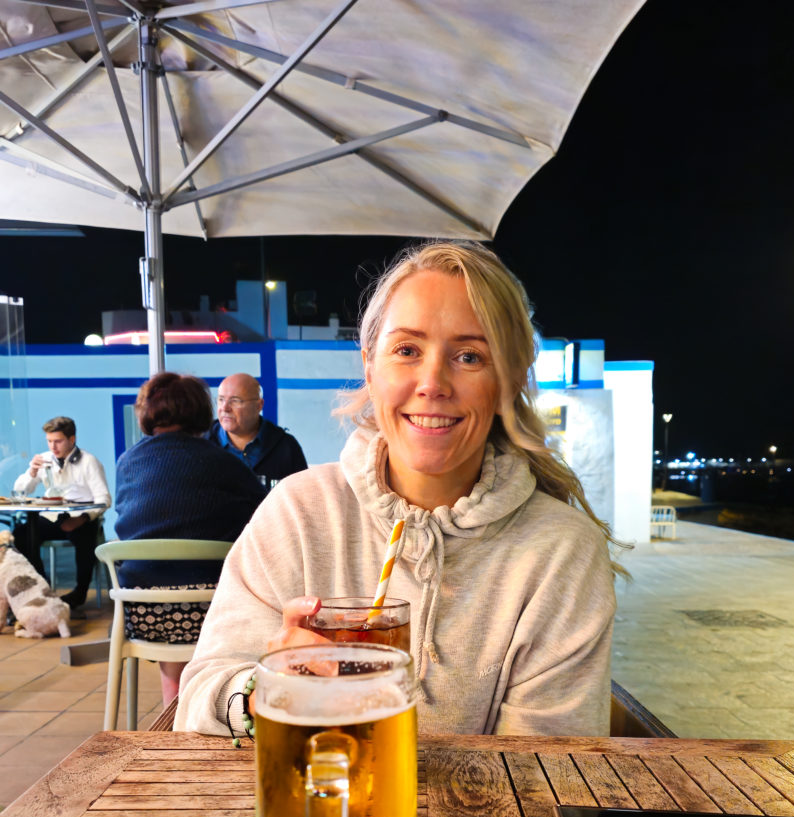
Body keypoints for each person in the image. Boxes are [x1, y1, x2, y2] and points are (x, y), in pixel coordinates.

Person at [176, 241, 619, 738]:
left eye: (470, 356)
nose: (432, 382)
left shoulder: (561, 552)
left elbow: (546, 779)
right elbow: (196, 704)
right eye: (407, 350)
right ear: (370, 366)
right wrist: (263, 692)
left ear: (509, 380)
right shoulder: (297, 514)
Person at [115, 372, 266, 705]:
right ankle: (216, 708)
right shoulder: (224, 463)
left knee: (165, 586)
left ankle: (176, 706)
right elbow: (262, 520)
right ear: (202, 412)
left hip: (142, 614)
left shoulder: (127, 464)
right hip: (209, 613)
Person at [12, 416, 111, 610]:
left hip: (81, 516)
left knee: (84, 535)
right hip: (53, 516)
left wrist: (82, 518)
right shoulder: (45, 459)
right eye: (49, 441)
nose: (53, 446)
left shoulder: (89, 462)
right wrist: (31, 473)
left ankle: (79, 593)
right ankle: (43, 588)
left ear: (72, 439)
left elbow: (104, 499)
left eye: (58, 441)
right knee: (23, 535)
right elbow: (21, 491)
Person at [207, 373, 307, 485]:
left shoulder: (286, 447)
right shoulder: (202, 443)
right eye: (221, 400)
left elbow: (303, 496)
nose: (225, 408)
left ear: (259, 406)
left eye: (235, 401)